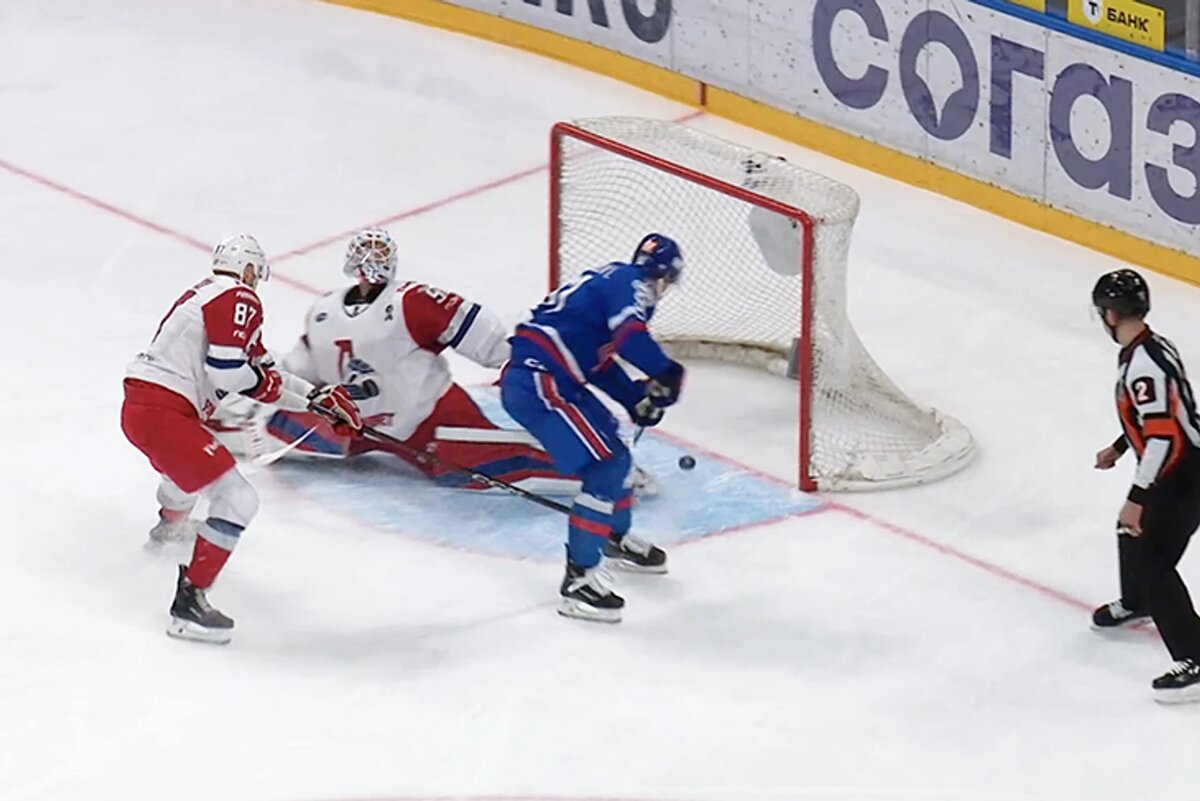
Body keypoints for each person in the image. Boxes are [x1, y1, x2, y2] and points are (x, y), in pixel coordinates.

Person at [121, 234, 362, 644]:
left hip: (146, 408)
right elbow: (230, 373)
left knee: (187, 472)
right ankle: (189, 606)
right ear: (249, 269)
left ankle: (167, 534)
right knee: (237, 498)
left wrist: (316, 399)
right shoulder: (237, 296)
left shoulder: (206, 296)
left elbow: (265, 373)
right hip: (164, 412)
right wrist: (290, 395)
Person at [255, 227, 576, 491]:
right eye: (365, 253)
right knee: (271, 425)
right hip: (357, 428)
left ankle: (587, 466)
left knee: (500, 465)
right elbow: (299, 372)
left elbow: (482, 337)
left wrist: (524, 366)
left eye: (379, 253)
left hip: (432, 420)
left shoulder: (412, 301)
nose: (371, 261)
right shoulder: (323, 312)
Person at [500, 233, 686, 623]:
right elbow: (631, 338)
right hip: (539, 380)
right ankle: (578, 581)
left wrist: (633, 398)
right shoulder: (633, 282)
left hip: (552, 377)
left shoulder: (610, 282)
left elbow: (597, 361)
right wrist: (665, 371)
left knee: (615, 450)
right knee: (607, 465)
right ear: (663, 276)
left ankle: (612, 537)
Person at [1090, 267, 1200, 702]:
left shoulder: (1142, 365)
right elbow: (1162, 414)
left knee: (1153, 561)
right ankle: (1137, 600)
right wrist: (1120, 446)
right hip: (1181, 465)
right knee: (1129, 534)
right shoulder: (1152, 347)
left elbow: (1163, 436)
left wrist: (1138, 497)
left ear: (1111, 314)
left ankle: (1195, 656)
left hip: (1184, 473)